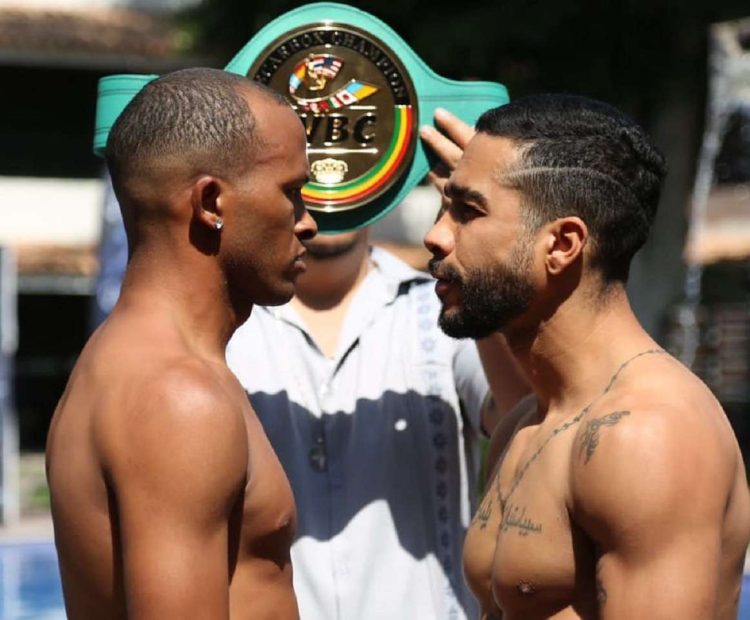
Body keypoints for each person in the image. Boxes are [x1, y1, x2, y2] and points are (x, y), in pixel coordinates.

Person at [424, 93, 750, 619]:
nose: (435, 237)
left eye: (467, 211)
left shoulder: (644, 434)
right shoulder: (525, 425)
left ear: (563, 244)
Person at [225, 108, 529, 620]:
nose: (326, 187)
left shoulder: (441, 308)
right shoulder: (229, 326)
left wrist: (480, 219)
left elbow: (524, 423)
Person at [45, 67, 318, 619]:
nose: (308, 222)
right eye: (292, 192)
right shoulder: (177, 397)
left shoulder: (128, 364)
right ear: (211, 202)